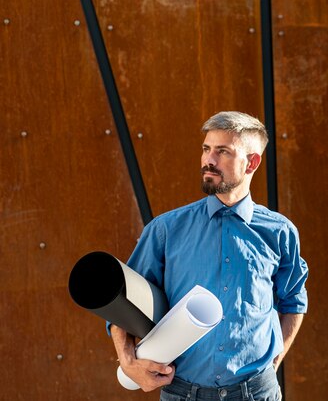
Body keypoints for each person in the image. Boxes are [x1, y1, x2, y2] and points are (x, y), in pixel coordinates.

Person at [110, 111, 309, 401]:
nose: (209, 160)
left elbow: (293, 301)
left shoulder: (280, 232)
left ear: (252, 162)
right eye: (206, 149)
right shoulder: (166, 230)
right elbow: (123, 301)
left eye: (223, 151)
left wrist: (272, 363)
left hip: (257, 393)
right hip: (183, 394)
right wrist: (128, 361)